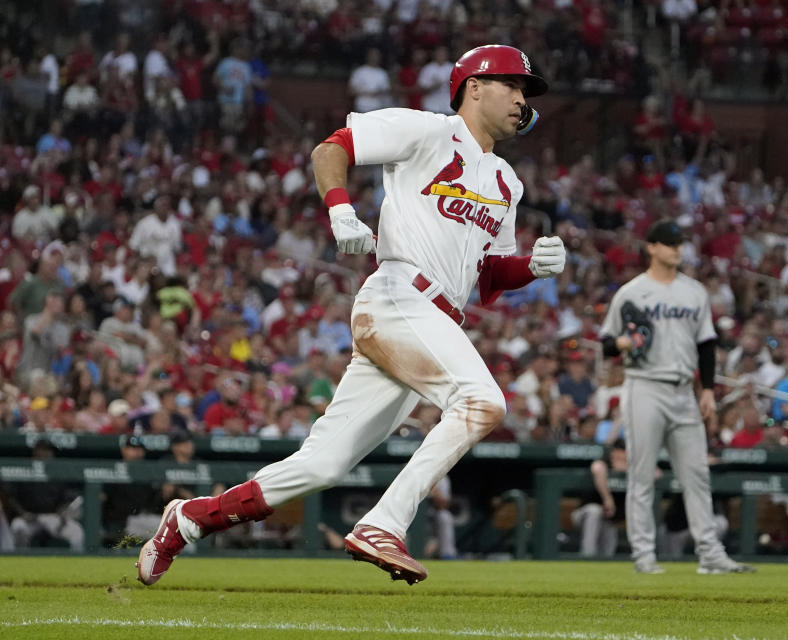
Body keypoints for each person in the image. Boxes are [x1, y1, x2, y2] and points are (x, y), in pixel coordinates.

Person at [137, 45, 564, 587]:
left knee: (322, 465)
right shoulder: (426, 131)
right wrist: (341, 210)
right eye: (514, 85)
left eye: (525, 91)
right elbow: (330, 149)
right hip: (399, 297)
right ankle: (386, 522)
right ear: (474, 86)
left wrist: (532, 267)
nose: (522, 99)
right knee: (482, 402)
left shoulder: (508, 182)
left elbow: (487, 278)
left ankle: (189, 520)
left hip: (430, 321)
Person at [598, 219, 753, 575]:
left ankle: (710, 554)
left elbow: (707, 344)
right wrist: (624, 343)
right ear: (651, 247)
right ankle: (644, 556)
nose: (676, 249)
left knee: (697, 474)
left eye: (679, 243)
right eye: (669, 243)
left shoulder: (694, 292)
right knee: (641, 474)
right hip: (644, 386)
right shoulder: (632, 292)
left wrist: (710, 390)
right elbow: (608, 344)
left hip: (684, 389)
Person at [571, 439, 627, 558]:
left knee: (608, 550)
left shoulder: (634, 467)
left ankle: (605, 564)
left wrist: (628, 471)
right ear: (614, 452)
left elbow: (655, 472)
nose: (623, 454)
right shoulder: (604, 463)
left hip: (609, 520)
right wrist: (607, 499)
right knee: (594, 511)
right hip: (584, 515)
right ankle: (587, 556)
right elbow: (597, 467)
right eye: (621, 451)